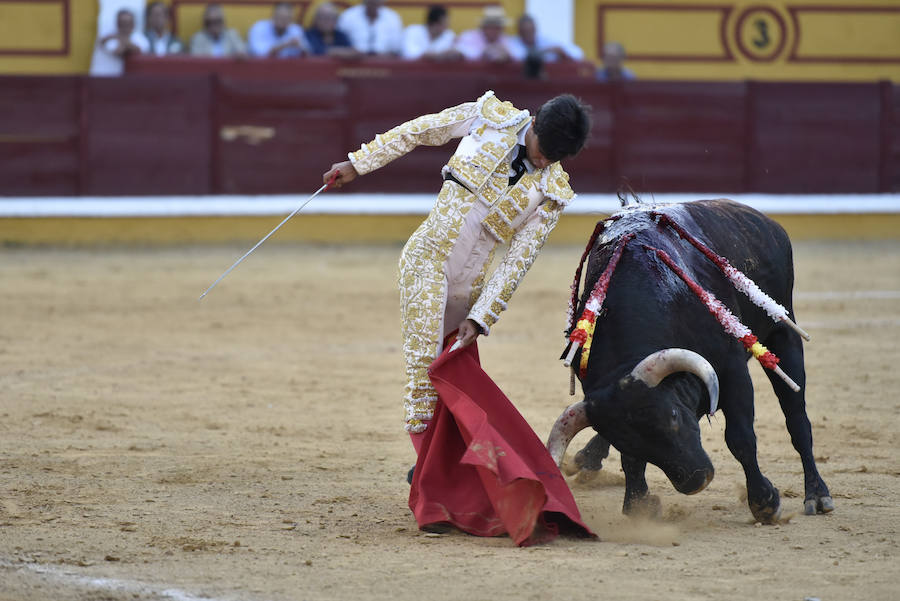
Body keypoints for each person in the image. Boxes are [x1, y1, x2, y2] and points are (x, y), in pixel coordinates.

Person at [323, 91, 592, 540]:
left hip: (469, 289)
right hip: (426, 261)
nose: (546, 166)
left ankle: (440, 479)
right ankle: (430, 497)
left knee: (452, 377)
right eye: (545, 154)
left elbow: (517, 259)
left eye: (557, 160)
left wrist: (483, 316)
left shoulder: (552, 190)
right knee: (422, 374)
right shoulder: (489, 117)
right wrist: (359, 163)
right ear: (535, 128)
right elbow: (419, 130)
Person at [91, 8, 150, 76]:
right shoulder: (110, 38)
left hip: (131, 78)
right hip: (107, 77)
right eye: (122, 23)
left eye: (128, 23)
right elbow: (119, 52)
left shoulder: (140, 38)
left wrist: (120, 38)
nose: (125, 26)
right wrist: (126, 42)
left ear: (133, 24)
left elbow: (138, 49)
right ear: (117, 24)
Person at [337, 0, 403, 56]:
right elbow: (340, 42)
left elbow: (396, 46)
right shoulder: (349, 15)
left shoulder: (392, 17)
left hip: (384, 62)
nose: (373, 1)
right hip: (353, 62)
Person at [508, 14, 583, 62]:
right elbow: (519, 56)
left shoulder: (545, 41)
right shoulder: (512, 43)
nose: (529, 34)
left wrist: (562, 52)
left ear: (535, 30)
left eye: (531, 31)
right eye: (525, 31)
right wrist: (544, 52)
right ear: (519, 32)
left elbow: (578, 53)